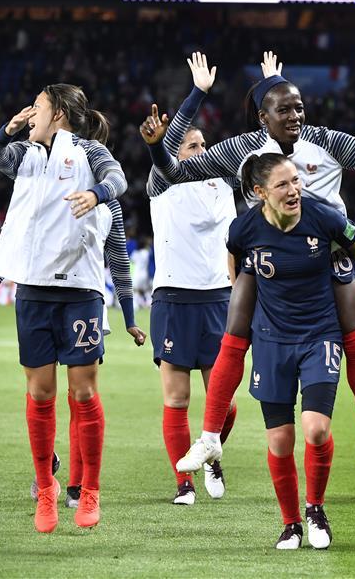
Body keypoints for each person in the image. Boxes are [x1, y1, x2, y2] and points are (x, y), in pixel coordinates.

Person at [142, 52, 355, 482]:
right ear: (262, 118)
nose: (295, 116)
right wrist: (157, 146)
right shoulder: (242, 150)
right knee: (233, 340)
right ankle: (210, 437)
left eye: (299, 107)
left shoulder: (328, 140)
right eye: (284, 109)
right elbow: (172, 173)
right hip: (269, 263)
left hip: (327, 259)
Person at [0, 83, 128, 532]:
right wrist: (7, 130)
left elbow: (118, 179)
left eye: (38, 106)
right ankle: (45, 490)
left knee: (83, 392)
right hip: (33, 290)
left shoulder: (87, 151)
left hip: (80, 291)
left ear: (58, 112)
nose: (31, 112)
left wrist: (96, 194)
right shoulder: (26, 155)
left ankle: (90, 491)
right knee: (41, 393)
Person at [0, 197, 146, 508]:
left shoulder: (109, 202)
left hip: (84, 298)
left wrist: (130, 318)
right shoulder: (39, 187)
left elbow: (119, 261)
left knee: (82, 394)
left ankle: (77, 487)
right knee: (41, 390)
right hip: (38, 296)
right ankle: (47, 468)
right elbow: (11, 242)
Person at [226, 153, 355, 549]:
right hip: (271, 339)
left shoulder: (321, 216)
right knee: (280, 441)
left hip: (320, 334)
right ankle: (290, 524)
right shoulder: (245, 226)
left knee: (316, 429)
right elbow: (233, 252)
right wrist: (240, 293)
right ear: (260, 192)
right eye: (283, 184)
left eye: (296, 180)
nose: (294, 190)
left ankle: (315, 508)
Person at [145, 53, 238, 505]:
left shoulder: (226, 183)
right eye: (190, 146)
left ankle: (210, 451)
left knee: (226, 402)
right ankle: (183, 484)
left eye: (204, 145)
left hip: (219, 299)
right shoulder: (162, 184)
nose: (200, 151)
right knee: (177, 398)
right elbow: (166, 144)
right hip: (174, 298)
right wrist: (197, 94)